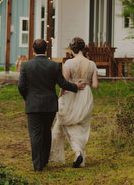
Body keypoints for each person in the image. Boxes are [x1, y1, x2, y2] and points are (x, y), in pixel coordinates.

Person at [18, 39, 86, 172]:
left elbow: (21, 86)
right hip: (49, 105)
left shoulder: (26, 66)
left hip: (33, 105)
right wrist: (75, 87)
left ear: (33, 50)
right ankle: (44, 161)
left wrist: (28, 98)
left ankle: (38, 166)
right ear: (46, 50)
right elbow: (62, 84)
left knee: (35, 134)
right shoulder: (54, 65)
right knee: (46, 132)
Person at [50, 37, 99, 168]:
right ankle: (78, 154)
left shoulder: (69, 64)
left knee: (67, 121)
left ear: (72, 49)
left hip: (72, 93)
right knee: (81, 125)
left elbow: (64, 84)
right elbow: (95, 85)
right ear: (83, 48)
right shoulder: (92, 64)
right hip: (86, 95)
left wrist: (60, 97)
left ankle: (77, 152)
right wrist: (87, 81)